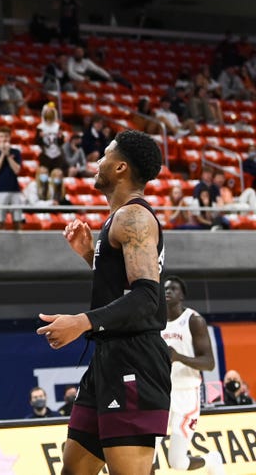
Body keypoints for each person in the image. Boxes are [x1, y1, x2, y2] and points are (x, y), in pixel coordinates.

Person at [36, 129, 170, 475]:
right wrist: (89, 256)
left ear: (121, 167)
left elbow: (145, 298)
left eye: (105, 156)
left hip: (135, 358)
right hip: (108, 358)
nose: (98, 162)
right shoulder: (120, 218)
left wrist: (82, 321)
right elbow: (126, 286)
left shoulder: (134, 217)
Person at [156, 276, 224, 474]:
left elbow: (209, 363)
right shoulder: (155, 321)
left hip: (187, 394)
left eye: (173, 289)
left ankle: (211, 460)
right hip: (161, 393)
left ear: (182, 295)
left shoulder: (194, 320)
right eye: (165, 289)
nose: (168, 292)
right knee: (148, 451)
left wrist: (178, 357)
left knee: (177, 462)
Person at [0, 126, 24, 231]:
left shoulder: (16, 152)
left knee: (17, 220)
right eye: (2, 136)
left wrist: (8, 155)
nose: (4, 139)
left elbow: (17, 170)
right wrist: (2, 155)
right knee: (0, 220)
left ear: (10, 138)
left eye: (6, 136)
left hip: (14, 190)